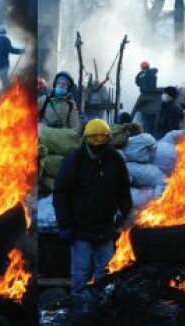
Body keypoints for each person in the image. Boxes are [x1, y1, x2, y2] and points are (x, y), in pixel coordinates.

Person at [53, 119, 132, 294]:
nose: (97, 145)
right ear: (85, 140)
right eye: (92, 140)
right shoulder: (74, 160)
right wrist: (64, 224)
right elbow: (61, 193)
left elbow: (123, 190)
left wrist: (129, 217)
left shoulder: (115, 160)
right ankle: (79, 311)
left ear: (108, 140)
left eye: (101, 140)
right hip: (81, 229)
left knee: (106, 274)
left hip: (105, 229)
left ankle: (100, 310)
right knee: (81, 274)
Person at [0, 25, 25, 93]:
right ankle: (7, 95)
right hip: (3, 65)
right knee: (5, 82)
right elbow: (10, 50)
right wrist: (21, 51)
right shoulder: (5, 40)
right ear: (4, 32)